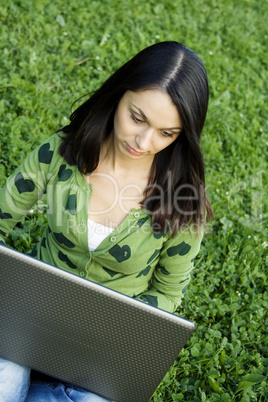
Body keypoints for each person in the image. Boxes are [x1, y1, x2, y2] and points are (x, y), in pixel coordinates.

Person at [0, 41, 212, 401]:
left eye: (167, 133)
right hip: (26, 324)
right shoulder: (60, 153)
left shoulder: (184, 201)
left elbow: (167, 293)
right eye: (137, 117)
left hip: (98, 358)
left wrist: (119, 338)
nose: (144, 142)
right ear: (118, 95)